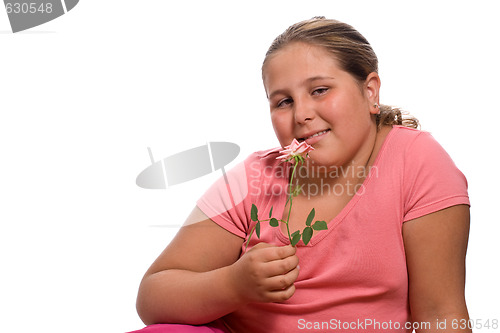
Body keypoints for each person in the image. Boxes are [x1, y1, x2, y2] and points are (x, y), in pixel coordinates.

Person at [129, 17, 471, 333]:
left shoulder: (416, 162)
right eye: (283, 102)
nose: (302, 114)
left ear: (370, 92)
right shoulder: (253, 179)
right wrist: (233, 284)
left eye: (320, 90)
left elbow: (440, 313)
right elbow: (153, 296)